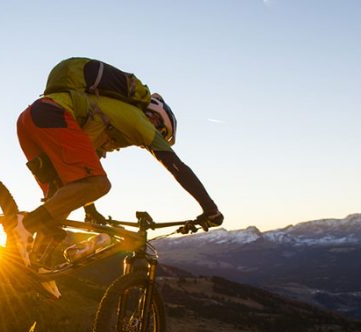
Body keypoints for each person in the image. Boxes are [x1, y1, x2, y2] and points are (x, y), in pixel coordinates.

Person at [13, 61, 224, 298]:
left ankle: (38, 266)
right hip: (53, 114)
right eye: (160, 131)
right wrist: (210, 208)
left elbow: (79, 181)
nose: (157, 136)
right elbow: (177, 168)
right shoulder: (137, 120)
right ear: (155, 118)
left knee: (59, 204)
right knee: (100, 185)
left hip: (30, 119)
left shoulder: (103, 119)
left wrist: (90, 210)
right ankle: (26, 224)